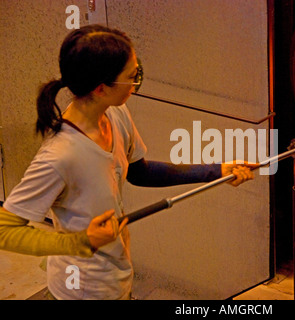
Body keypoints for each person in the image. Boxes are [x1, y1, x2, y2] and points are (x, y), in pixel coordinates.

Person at [0, 25, 255, 300]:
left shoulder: (116, 113)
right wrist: (80, 241)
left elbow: (140, 172)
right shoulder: (60, 155)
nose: (136, 84)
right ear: (100, 89)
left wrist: (216, 171)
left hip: (117, 276)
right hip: (82, 291)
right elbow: (5, 230)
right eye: (131, 77)